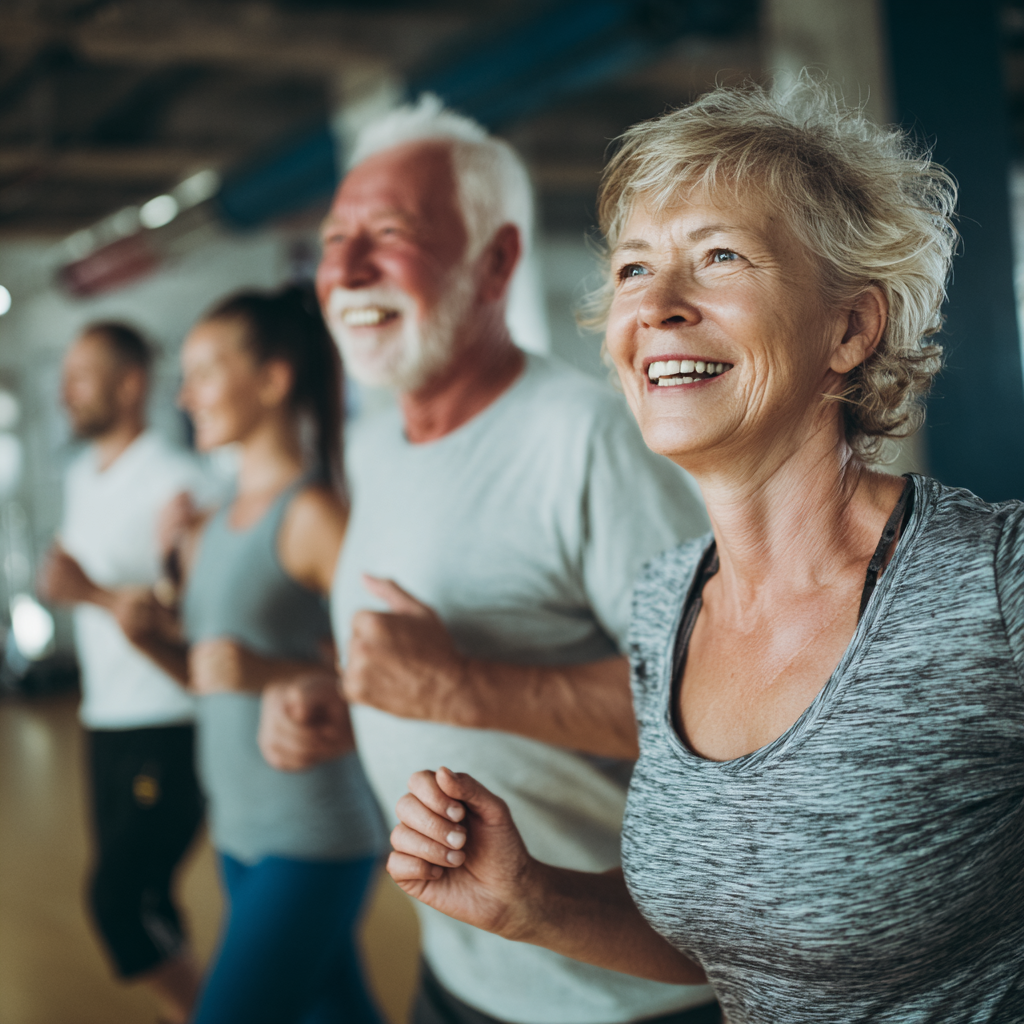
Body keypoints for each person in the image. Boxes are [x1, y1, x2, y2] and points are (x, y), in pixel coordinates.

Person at [384, 79, 1024, 1023]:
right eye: (634, 268)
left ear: (850, 328)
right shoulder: (664, 603)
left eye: (720, 256)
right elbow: (739, 942)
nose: (657, 306)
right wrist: (529, 900)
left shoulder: (994, 586)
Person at [260, 97, 715, 1024]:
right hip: (458, 971)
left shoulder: (588, 440)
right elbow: (424, 671)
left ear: (496, 260)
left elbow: (726, 710)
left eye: (390, 234)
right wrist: (349, 703)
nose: (346, 268)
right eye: (336, 238)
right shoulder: (377, 448)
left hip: (620, 995)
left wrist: (455, 687)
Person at [119, 285, 388, 1024]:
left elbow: (400, 675)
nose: (185, 396)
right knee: (336, 1011)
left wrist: (271, 671)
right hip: (237, 829)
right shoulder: (206, 526)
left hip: (316, 830)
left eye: (205, 373)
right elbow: (213, 680)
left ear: (272, 379)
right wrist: (148, 638)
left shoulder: (313, 515)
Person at [37, 322, 212, 1024]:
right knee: (151, 898)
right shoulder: (84, 474)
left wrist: (89, 592)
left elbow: (197, 619)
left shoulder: (178, 481)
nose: (65, 392)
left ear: (131, 384)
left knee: (116, 900)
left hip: (169, 720)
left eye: (81, 377)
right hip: (104, 718)